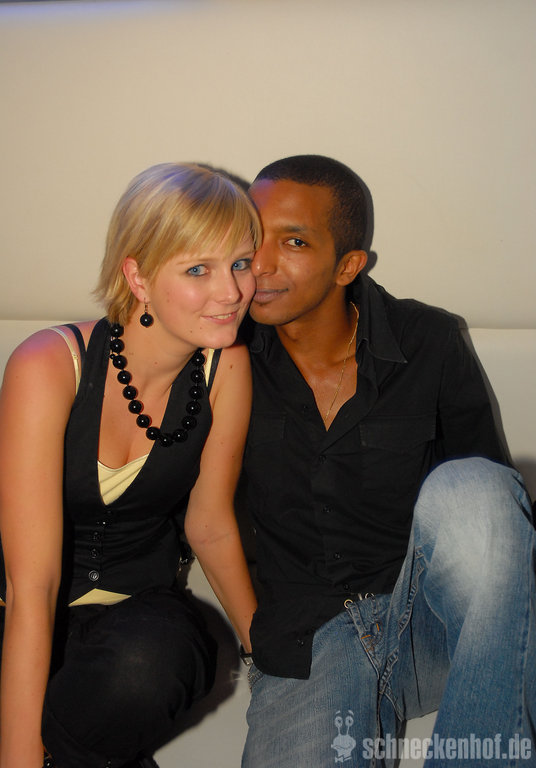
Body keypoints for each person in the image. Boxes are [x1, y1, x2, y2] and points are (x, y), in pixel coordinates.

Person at [240, 155, 535, 767]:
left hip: (433, 626)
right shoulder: (220, 354)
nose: (259, 262)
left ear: (348, 265)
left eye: (294, 242)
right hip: (306, 641)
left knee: (477, 486)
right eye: (252, 235)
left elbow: (486, 519)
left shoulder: (429, 339)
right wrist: (254, 635)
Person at [0, 162, 260, 768]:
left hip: (136, 623)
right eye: (198, 269)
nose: (231, 292)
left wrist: (263, 652)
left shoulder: (226, 367)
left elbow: (210, 524)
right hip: (21, 615)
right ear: (137, 276)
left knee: (154, 661)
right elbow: (31, 586)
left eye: (241, 263)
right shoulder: (48, 365)